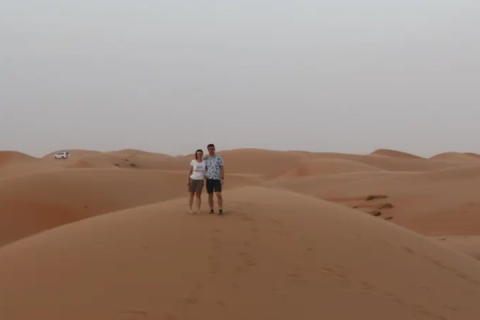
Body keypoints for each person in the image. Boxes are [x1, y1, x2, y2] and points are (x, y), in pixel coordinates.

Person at [204, 143, 225, 215]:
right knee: (210, 194)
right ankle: (211, 209)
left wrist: (222, 178)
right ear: (208, 150)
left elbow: (222, 167)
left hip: (217, 179)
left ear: (214, 149)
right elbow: (204, 168)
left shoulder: (219, 157)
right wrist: (204, 174)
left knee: (218, 193)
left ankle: (220, 209)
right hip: (209, 178)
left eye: (212, 149)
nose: (211, 150)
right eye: (209, 149)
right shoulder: (206, 158)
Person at [187, 149, 206, 214]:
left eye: (200, 154)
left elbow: (205, 171)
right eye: (198, 154)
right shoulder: (193, 161)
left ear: (202, 154)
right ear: (196, 155)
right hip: (193, 179)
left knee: (198, 195)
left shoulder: (204, 162)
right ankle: (190, 209)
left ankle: (198, 209)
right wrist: (188, 180)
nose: (199, 155)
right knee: (191, 194)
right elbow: (190, 171)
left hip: (200, 180)